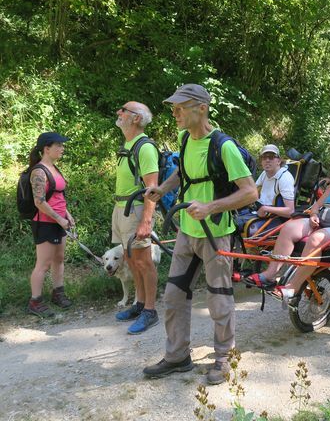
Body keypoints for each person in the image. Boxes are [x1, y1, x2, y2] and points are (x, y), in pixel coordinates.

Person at [143, 84, 258, 385]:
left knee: (219, 299)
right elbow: (183, 172)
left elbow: (250, 192)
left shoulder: (224, 146)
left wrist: (210, 206)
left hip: (215, 233)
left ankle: (224, 358)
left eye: (181, 107)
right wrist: (163, 189)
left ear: (202, 108)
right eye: (173, 107)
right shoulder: (184, 139)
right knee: (173, 296)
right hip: (186, 231)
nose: (175, 113)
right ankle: (177, 356)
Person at [245, 150, 330, 288]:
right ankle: (269, 275)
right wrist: (313, 215)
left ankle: (293, 287)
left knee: (315, 238)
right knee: (289, 227)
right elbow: (316, 206)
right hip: (325, 222)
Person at [111, 101, 160, 334]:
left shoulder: (145, 147)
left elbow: (152, 188)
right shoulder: (128, 144)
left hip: (137, 209)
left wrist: (146, 221)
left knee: (144, 261)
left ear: (136, 118)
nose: (119, 112)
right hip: (121, 209)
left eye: (124, 110)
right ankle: (139, 304)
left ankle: (150, 311)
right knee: (131, 260)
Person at [27, 132, 74, 317]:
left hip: (58, 221)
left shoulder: (54, 168)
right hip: (45, 223)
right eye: (59, 146)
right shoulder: (39, 171)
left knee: (59, 259)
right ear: (47, 149)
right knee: (43, 264)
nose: (62, 149)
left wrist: (67, 215)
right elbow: (39, 202)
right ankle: (35, 301)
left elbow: (58, 196)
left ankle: (58, 293)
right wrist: (59, 218)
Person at [235, 144, 295, 237]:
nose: (267, 160)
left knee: (235, 226)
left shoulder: (284, 178)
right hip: (259, 212)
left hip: (274, 218)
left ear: (278, 161)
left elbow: (290, 211)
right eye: (264, 157)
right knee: (230, 219)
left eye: (271, 157)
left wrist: (265, 208)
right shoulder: (265, 173)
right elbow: (253, 190)